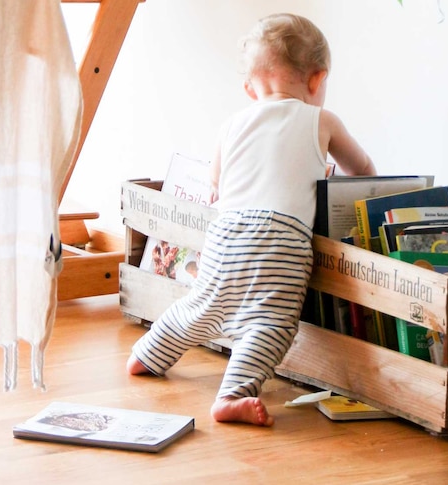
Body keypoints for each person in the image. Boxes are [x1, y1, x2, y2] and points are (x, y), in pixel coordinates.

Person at [126, 13, 377, 426]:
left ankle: (147, 355)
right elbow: (363, 170)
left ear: (250, 87)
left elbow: (216, 185)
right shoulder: (322, 120)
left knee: (202, 306)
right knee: (271, 322)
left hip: (226, 233)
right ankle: (232, 394)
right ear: (317, 80)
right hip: (282, 239)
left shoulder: (231, 125)